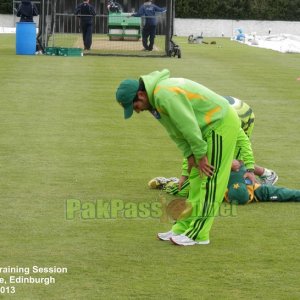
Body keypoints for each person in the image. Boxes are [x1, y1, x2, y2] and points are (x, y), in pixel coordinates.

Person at [116, 69, 256, 246]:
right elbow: (174, 130)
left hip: (220, 124)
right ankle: (182, 227)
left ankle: (199, 234)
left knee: (211, 181)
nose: (135, 111)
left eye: (133, 106)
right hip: (206, 129)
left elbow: (188, 125)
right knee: (196, 180)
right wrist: (189, 155)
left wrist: (200, 154)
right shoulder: (155, 101)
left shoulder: (164, 95)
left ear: (141, 94)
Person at [225, 160, 300, 204]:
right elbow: (287, 193)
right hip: (225, 171)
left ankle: (268, 174)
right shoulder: (219, 189)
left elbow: (286, 193)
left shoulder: (258, 190)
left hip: (236, 164)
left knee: (237, 162)